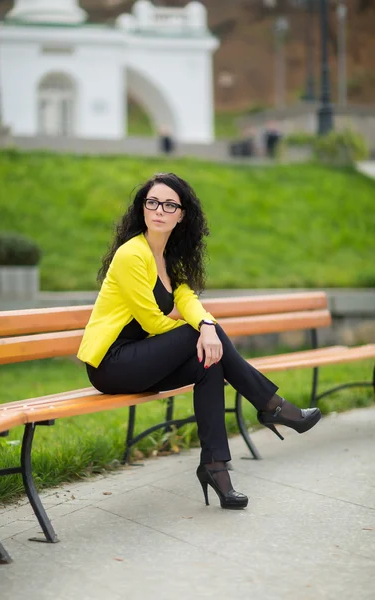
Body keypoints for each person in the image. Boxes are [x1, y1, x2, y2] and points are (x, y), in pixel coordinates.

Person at [77, 173, 321, 510]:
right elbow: (151, 321)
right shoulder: (132, 254)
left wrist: (206, 323)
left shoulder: (168, 258)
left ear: (181, 215)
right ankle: (272, 406)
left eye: (169, 204)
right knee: (202, 337)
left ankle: (216, 468)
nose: (159, 209)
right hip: (112, 363)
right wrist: (200, 329)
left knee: (210, 362)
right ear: (142, 209)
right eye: (152, 202)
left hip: (143, 360)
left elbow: (188, 300)